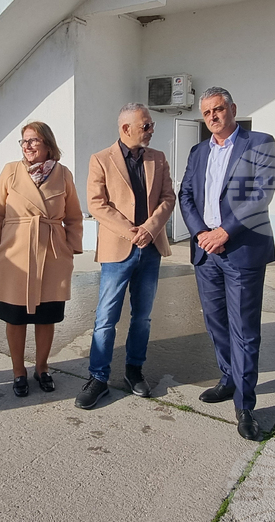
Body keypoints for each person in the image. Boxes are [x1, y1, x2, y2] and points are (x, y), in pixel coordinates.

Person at [178, 87, 275, 441]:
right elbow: (185, 194)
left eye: (219, 109)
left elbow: (262, 193)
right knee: (216, 323)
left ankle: (245, 404)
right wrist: (201, 233)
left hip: (242, 251)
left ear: (233, 109)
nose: (213, 117)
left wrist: (225, 231)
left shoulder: (259, 142)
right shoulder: (198, 150)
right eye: (207, 113)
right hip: (207, 253)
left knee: (244, 330)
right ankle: (228, 378)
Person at [75, 104, 176, 410]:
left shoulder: (157, 158)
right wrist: (132, 232)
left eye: (151, 125)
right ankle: (98, 378)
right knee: (106, 318)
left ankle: (134, 370)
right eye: (145, 126)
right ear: (125, 129)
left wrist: (150, 227)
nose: (151, 130)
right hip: (118, 250)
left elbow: (168, 197)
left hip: (151, 249)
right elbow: (96, 204)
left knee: (142, 318)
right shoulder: (101, 159)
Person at [0, 122, 83, 397]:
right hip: (14, 252)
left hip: (52, 253)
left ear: (48, 145)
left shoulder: (63, 174)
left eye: (33, 141)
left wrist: (70, 248)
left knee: (45, 317)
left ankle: (42, 367)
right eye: (24, 141)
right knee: (14, 318)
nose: (27, 146)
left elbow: (73, 215)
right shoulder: (10, 171)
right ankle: (18, 371)